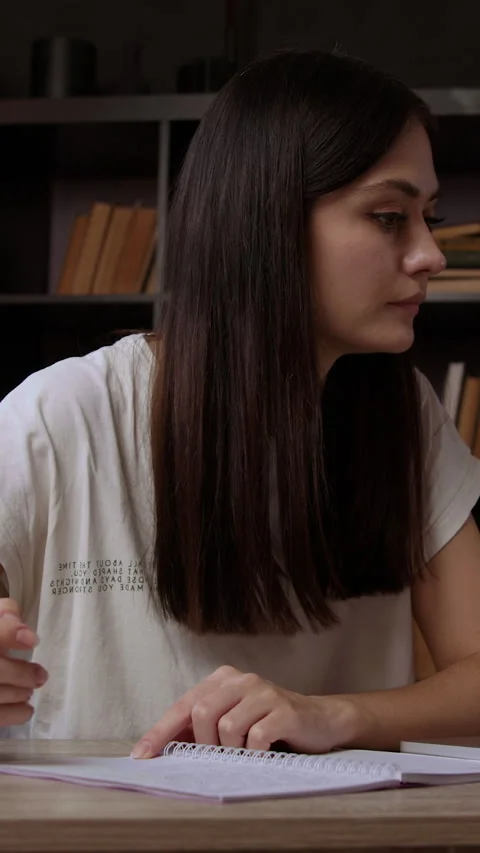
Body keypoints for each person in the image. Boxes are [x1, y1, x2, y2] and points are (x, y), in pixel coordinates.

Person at [2, 46, 480, 761]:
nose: (430, 255)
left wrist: (330, 714)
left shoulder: (403, 415)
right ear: (268, 222)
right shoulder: (65, 412)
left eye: (428, 218)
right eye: (388, 216)